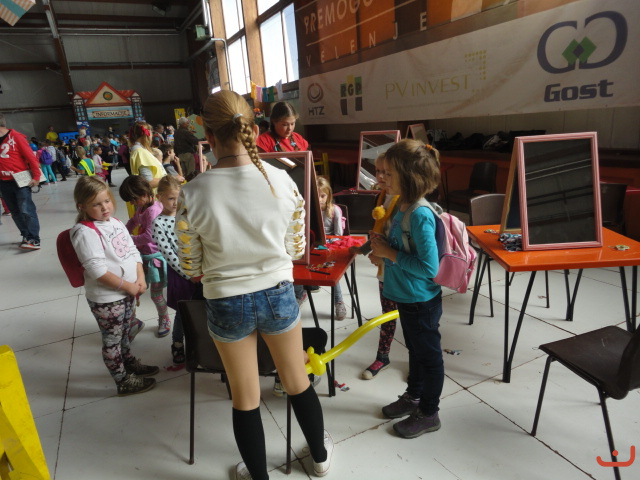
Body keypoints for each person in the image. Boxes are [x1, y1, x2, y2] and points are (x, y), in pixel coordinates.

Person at [175, 90, 333, 479]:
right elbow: (296, 249)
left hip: (226, 300)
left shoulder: (193, 192)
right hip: (278, 293)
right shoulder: (282, 181)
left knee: (245, 397)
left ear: (209, 137)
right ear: (253, 129)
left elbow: (191, 265)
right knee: (296, 380)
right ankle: (320, 460)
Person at [370, 139, 443, 439]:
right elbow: (401, 246)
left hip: (421, 301)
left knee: (429, 357)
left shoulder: (420, 214)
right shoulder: (401, 205)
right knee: (415, 351)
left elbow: (429, 268)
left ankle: (429, 412)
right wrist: (383, 251)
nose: (383, 177)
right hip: (406, 297)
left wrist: (390, 254)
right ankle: (413, 396)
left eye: (389, 173)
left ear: (408, 177)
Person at [70, 176, 159, 396]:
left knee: (125, 333)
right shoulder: (84, 232)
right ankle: (122, 380)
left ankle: (128, 363)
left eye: (107, 201)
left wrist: (140, 277)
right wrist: (128, 286)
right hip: (107, 300)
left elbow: (133, 251)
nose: (105, 208)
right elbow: (97, 270)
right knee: (112, 341)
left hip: (128, 292)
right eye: (96, 204)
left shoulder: (116, 222)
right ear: (81, 206)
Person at [255, 101, 312, 306]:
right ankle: (286, 284)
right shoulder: (263, 142)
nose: (289, 129)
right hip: (274, 197)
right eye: (284, 124)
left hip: (299, 193)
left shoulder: (299, 140)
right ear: (273, 122)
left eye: (292, 124)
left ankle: (303, 284)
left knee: (299, 238)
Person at [350, 154, 400, 380]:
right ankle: (383, 356)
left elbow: (401, 243)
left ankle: (419, 362)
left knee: (412, 321)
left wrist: (384, 257)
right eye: (378, 171)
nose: (380, 176)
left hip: (402, 272)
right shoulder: (381, 197)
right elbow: (379, 233)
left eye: (387, 172)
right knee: (387, 316)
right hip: (385, 272)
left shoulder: (404, 202)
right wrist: (362, 249)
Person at [152, 175, 200, 365]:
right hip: (181, 275)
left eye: (178, 198)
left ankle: (198, 342)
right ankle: (178, 343)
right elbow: (169, 254)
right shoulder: (158, 223)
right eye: (170, 198)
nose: (175, 202)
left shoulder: (187, 215)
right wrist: (189, 274)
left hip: (198, 271)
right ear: (160, 197)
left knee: (199, 308)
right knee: (182, 311)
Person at [119, 175, 172, 338]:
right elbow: (133, 221)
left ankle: (164, 319)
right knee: (134, 291)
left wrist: (129, 240)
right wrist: (122, 232)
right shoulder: (141, 208)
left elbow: (149, 236)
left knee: (156, 295)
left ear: (144, 194)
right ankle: (133, 322)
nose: (132, 204)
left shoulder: (153, 210)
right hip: (142, 257)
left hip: (155, 259)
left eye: (134, 199)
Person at [0, 113, 42, 250]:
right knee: (15, 211)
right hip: (3, 182)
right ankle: (26, 235)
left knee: (26, 209)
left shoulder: (16, 137)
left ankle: (34, 239)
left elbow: (31, 157)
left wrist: (36, 176)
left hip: (20, 181)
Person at [317, 176, 347, 320]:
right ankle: (300, 294)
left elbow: (339, 236)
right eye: (317, 195)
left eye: (322, 196)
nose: (319, 199)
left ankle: (339, 301)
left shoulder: (335, 210)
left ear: (328, 195)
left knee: (331, 271)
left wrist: (327, 245)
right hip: (315, 245)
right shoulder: (308, 208)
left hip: (331, 247)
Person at [129, 121, 169, 190]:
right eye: (151, 132)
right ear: (147, 134)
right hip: (155, 193)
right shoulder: (140, 152)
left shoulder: (140, 150)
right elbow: (149, 182)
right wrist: (171, 180)